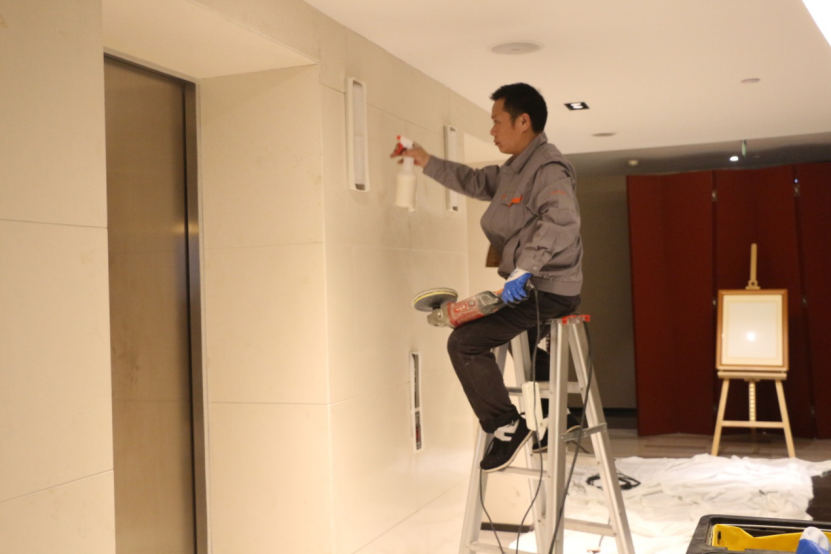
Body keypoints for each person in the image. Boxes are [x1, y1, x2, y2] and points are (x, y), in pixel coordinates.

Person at [394, 83, 582, 472]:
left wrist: (524, 269)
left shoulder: (548, 168)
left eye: (497, 121)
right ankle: (555, 418)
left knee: (464, 343)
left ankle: (507, 426)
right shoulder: (515, 170)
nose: (492, 130)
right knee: (519, 344)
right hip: (529, 287)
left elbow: (561, 221)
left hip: (547, 290)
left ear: (523, 121)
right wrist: (425, 160)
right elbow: (475, 182)